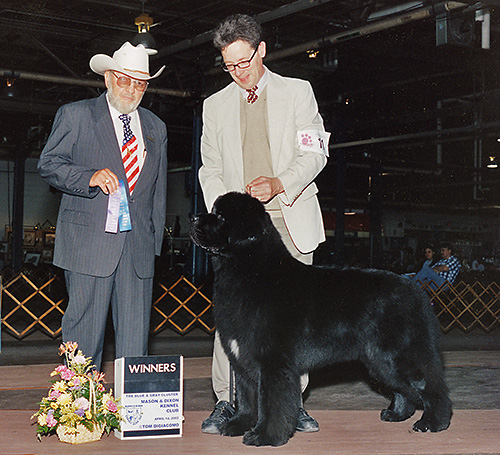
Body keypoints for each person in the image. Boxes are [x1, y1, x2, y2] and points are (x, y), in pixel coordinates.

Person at [198, 14, 330, 435]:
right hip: (238, 232)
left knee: (295, 321)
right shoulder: (214, 105)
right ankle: (227, 400)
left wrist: (279, 183)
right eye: (229, 66)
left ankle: (294, 403)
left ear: (262, 50)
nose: (237, 73)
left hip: (289, 217)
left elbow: (315, 154)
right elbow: (209, 169)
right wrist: (227, 211)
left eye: (243, 63)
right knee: (233, 317)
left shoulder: (299, 93)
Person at [38, 42, 168, 369]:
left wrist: (153, 248)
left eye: (140, 83)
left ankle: (133, 415)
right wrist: (88, 175)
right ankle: (79, 414)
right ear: (109, 78)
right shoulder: (76, 114)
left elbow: (158, 192)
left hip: (138, 250)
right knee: (84, 336)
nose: (132, 89)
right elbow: (49, 164)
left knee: (135, 343)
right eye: (125, 80)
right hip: (88, 247)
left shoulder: (156, 127)